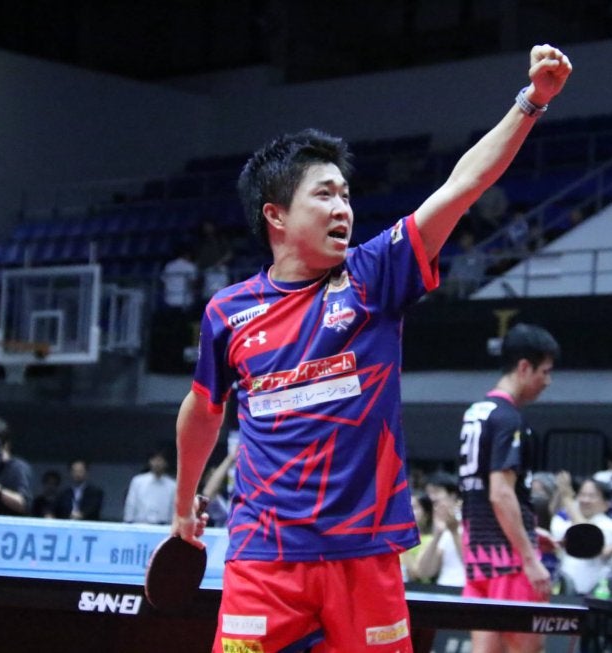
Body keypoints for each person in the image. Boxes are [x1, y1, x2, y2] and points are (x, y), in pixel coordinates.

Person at [170, 43, 572, 653]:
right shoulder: (227, 312)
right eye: (324, 195)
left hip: (365, 554)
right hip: (264, 558)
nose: (343, 208)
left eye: (346, 195)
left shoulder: (373, 275)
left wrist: (531, 102)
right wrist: (184, 504)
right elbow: (203, 409)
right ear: (276, 215)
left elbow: (464, 184)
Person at [457, 323, 559, 653]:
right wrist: (529, 557)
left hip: (478, 558)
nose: (548, 381)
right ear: (524, 367)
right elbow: (500, 493)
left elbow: (479, 490)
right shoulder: (509, 418)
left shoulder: (477, 412)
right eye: (545, 372)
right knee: (528, 649)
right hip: (510, 563)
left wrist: (529, 530)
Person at [554, 478, 612, 595]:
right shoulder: (564, 524)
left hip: (594, 593)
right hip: (564, 590)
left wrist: (567, 500)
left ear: (607, 504)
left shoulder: (611, 526)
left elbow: (586, 536)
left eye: (592, 496)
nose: (585, 500)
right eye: (582, 495)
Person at [413, 472, 465, 587]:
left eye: (436, 491)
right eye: (429, 493)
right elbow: (424, 572)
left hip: (467, 590)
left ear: (452, 495)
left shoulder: (468, 521)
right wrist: (437, 534)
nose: (432, 498)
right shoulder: (439, 525)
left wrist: (454, 532)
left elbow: (473, 565)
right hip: (443, 590)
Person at [123, 449, 176, 525]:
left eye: (160, 460)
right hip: (140, 524)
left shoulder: (172, 485)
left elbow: (173, 507)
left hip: (163, 525)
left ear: (166, 463)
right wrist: (128, 521)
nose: (157, 464)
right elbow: (131, 503)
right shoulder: (138, 481)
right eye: (154, 460)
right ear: (150, 462)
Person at [160, 245, 199, 310]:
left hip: (169, 300)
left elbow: (163, 281)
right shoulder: (190, 266)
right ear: (187, 254)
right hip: (185, 301)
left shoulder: (169, 266)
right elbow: (193, 284)